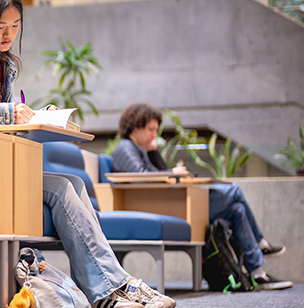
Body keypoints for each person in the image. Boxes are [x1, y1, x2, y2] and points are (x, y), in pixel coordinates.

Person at [0, 0, 175, 308]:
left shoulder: (5, 68)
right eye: (0, 27)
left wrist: (39, 119)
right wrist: (6, 112)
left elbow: (9, 126)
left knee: (76, 184)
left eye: (15, 27)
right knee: (59, 187)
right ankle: (110, 289)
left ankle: (108, 287)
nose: (8, 35)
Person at [111, 103, 293, 291]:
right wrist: (171, 171)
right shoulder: (125, 147)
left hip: (169, 202)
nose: (154, 135)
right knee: (233, 191)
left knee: (236, 210)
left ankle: (258, 273)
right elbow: (143, 178)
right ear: (135, 126)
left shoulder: (141, 150)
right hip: (164, 205)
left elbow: (156, 173)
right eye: (151, 129)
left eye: (156, 130)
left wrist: (153, 152)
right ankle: (260, 243)